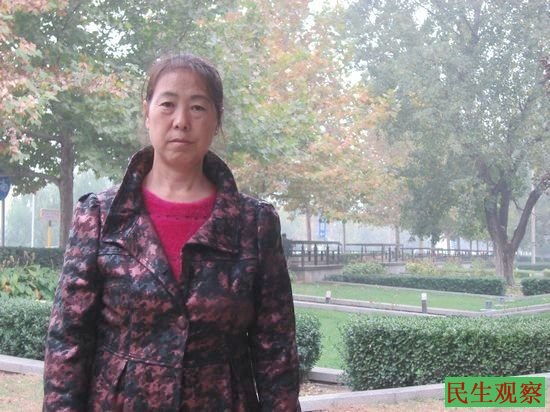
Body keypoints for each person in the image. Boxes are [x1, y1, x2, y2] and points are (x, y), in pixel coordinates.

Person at [43, 53, 301, 411]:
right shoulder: (100, 217)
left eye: (197, 107)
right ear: (147, 112)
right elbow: (68, 339)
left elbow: (276, 349)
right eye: (167, 104)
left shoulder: (253, 224)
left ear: (216, 120)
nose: (181, 121)